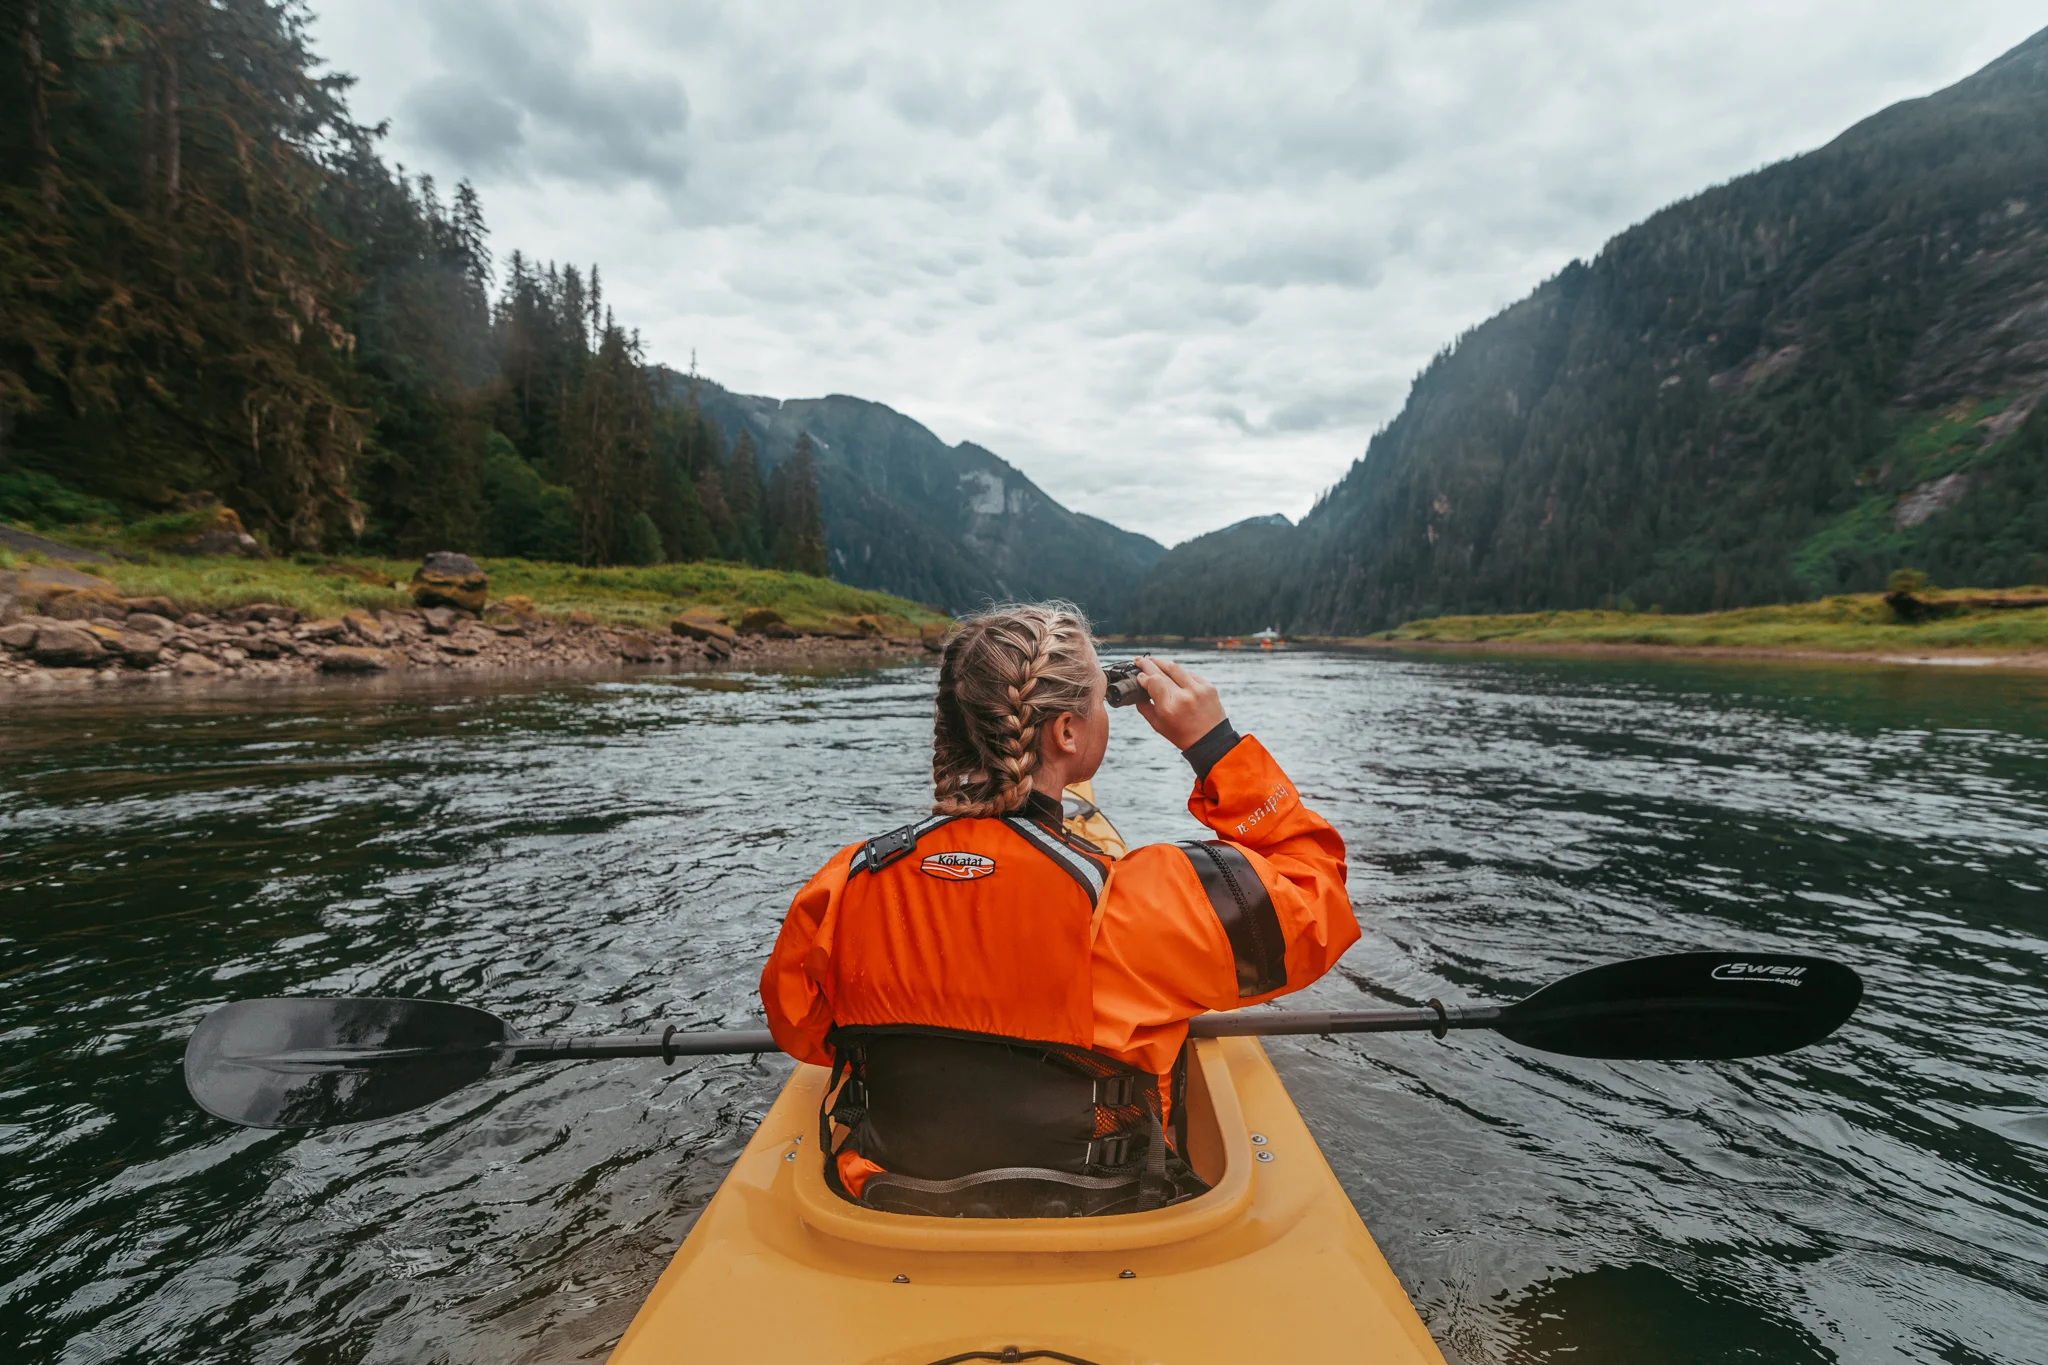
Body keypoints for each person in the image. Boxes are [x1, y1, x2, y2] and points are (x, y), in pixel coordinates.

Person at [759, 601, 1360, 1216]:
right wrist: (1215, 746)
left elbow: (799, 1030)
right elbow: (1320, 895)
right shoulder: (1138, 902)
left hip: (893, 1199)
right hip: (1100, 1205)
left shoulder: (850, 880)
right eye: (1102, 700)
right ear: (1067, 733)